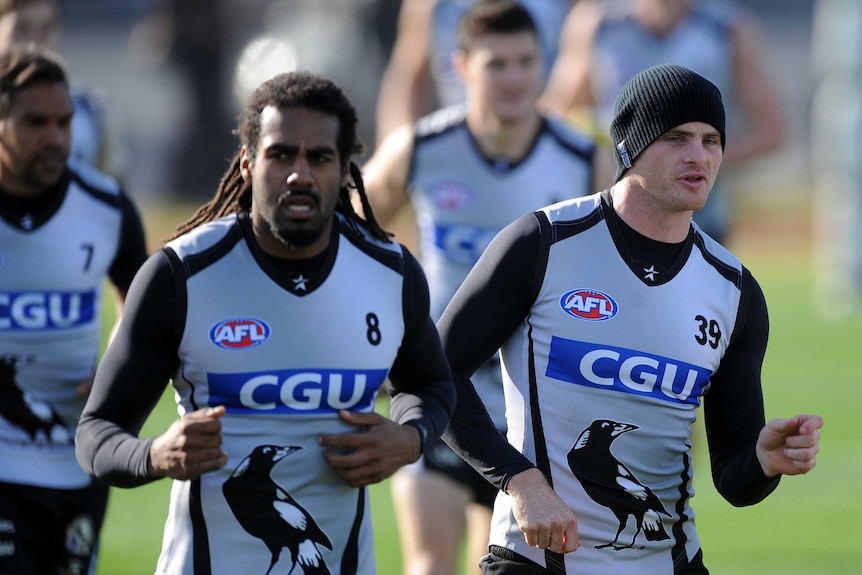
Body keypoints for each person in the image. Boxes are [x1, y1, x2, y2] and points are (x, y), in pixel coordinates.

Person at [436, 63, 823, 574]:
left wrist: (764, 461)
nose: (698, 156)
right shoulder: (544, 244)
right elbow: (434, 374)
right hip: (535, 562)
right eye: (676, 137)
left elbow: (735, 479)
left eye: (711, 141)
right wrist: (521, 481)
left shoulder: (734, 291)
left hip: (671, 563)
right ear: (629, 146)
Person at [75, 69, 456, 574]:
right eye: (281, 154)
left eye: (319, 157)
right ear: (249, 163)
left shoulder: (390, 273)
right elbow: (97, 434)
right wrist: (156, 454)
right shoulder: (181, 275)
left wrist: (411, 438)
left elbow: (431, 384)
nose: (300, 173)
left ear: (345, 170)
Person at [362, 2, 598, 573]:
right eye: (498, 64)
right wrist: (371, 345)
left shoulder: (580, 159)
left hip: (528, 411)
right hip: (436, 389)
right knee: (429, 565)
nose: (515, 78)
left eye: (526, 62)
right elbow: (349, 244)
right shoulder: (420, 148)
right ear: (462, 66)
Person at [0, 48, 148, 574]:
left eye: (63, 122)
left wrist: (118, 372)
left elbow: (148, 311)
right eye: (35, 122)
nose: (56, 137)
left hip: (76, 462)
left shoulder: (106, 208)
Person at [538, 0, 784, 245]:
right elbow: (555, 117)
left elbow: (769, 133)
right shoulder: (597, 23)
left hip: (700, 220)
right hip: (615, 212)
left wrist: (690, 161)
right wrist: (607, 159)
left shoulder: (727, 30)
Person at [374, 0, 575, 145]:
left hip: (536, 138)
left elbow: (573, 84)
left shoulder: (556, 6)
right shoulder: (431, 6)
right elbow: (407, 81)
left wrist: (536, 147)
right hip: (457, 141)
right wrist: (403, 156)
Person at [0, 0, 121, 173]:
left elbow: (111, 190)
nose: (34, 43)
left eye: (46, 28)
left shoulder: (92, 112)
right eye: (22, 28)